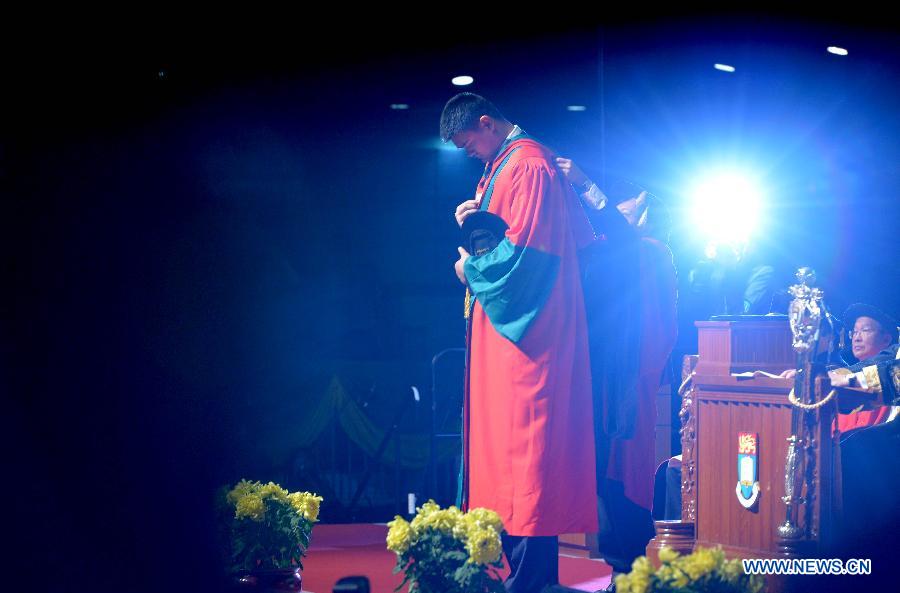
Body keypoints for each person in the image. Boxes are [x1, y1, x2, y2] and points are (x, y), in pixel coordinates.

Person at [442, 93, 598, 593]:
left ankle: (531, 583)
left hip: (529, 339)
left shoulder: (529, 165)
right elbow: (502, 236)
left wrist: (472, 270)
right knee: (505, 455)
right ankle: (519, 575)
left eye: (470, 144)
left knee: (527, 456)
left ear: (486, 122)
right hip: (507, 337)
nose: (471, 155)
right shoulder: (501, 166)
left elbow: (529, 258)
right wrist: (472, 219)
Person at [556, 158, 678, 584]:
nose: (617, 215)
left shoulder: (651, 252)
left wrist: (583, 184)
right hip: (607, 374)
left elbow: (619, 243)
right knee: (604, 474)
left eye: (627, 210)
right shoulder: (620, 254)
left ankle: (630, 569)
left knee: (625, 473)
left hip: (631, 377)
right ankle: (620, 568)